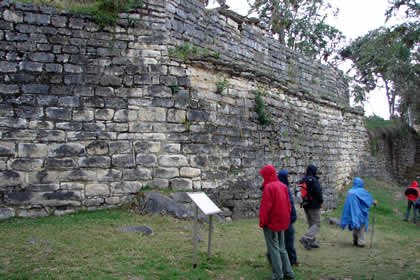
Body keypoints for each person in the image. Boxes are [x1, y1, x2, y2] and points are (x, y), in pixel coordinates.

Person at [259, 165, 295, 280]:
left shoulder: (268, 187)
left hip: (271, 222)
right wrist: (287, 218)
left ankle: (278, 274)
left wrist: (262, 222)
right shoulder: (283, 186)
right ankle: (288, 272)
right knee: (282, 248)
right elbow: (289, 205)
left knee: (273, 248)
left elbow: (266, 207)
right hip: (283, 221)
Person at [340, 177, 377, 247]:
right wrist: (373, 202)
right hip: (360, 212)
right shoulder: (361, 191)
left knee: (355, 226)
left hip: (351, 213)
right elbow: (367, 199)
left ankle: (355, 240)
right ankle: (361, 242)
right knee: (361, 227)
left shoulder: (350, 191)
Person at [277, 170, 299, 266]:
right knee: (288, 240)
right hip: (286, 219)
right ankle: (292, 260)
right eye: (287, 177)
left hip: (280, 219)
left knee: (279, 240)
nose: (289, 179)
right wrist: (293, 216)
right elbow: (289, 204)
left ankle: (275, 258)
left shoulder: (277, 186)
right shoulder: (283, 187)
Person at [298, 164, 323, 250]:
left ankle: (311, 241)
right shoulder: (314, 180)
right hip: (314, 204)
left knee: (311, 223)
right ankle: (306, 238)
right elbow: (318, 192)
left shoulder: (303, 180)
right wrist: (321, 201)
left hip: (305, 204)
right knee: (317, 222)